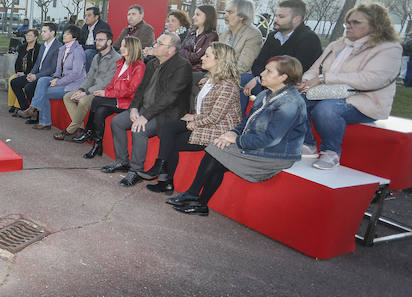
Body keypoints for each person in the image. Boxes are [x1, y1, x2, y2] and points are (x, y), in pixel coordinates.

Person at [169, 56, 307, 215]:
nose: (262, 73)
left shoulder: (290, 103)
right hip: (257, 144)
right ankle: (199, 202)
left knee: (216, 151)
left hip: (275, 155)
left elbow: (271, 139)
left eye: (269, 71)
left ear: (284, 77)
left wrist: (238, 139)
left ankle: (194, 196)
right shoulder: (264, 95)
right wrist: (232, 132)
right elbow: (246, 123)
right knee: (218, 150)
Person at [298, 3, 402, 169]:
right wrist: (305, 82)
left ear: (375, 25)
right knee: (294, 100)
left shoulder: (389, 48)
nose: (349, 26)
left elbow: (372, 79)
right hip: (328, 93)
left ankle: (331, 153)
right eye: (348, 22)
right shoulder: (337, 45)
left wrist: (325, 78)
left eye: (356, 22)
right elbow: (314, 70)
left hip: (365, 101)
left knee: (326, 109)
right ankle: (307, 144)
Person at [142, 42, 243, 193]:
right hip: (206, 122)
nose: (202, 57)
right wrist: (194, 116)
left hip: (217, 131)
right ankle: (161, 168)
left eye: (207, 55)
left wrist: (196, 121)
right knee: (169, 127)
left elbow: (215, 117)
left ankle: (165, 178)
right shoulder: (209, 80)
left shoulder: (228, 86)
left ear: (219, 61)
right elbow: (207, 109)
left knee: (171, 141)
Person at [107, 32, 192, 185]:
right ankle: (122, 161)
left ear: (171, 50)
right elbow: (141, 89)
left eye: (159, 43)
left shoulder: (182, 66)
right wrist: (134, 108)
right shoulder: (153, 63)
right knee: (117, 122)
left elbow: (169, 97)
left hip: (165, 113)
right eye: (156, 42)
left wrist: (144, 116)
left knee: (139, 129)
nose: (155, 45)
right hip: (145, 109)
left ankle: (135, 171)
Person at [242, 0, 323, 112]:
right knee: (239, 80)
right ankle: (238, 125)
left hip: (292, 89)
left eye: (281, 17)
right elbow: (258, 64)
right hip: (267, 81)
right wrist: (259, 78)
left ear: (296, 19)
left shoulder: (309, 39)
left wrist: (259, 80)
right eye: (276, 16)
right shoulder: (272, 36)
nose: (276, 19)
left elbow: (295, 74)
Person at [78, 37, 146, 158]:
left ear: (133, 48)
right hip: (116, 99)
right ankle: (97, 144)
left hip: (128, 102)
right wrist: (104, 91)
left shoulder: (139, 66)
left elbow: (131, 91)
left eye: (125, 46)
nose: (121, 48)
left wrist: (107, 94)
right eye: (122, 45)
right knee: (99, 111)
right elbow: (112, 84)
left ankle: (89, 131)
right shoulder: (121, 63)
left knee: (97, 100)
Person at [57, 30, 119, 140]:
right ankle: (79, 128)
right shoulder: (96, 57)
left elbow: (106, 83)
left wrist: (86, 93)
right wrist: (81, 89)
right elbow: (89, 77)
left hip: (103, 92)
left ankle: (70, 130)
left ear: (109, 42)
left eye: (101, 40)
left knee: (83, 101)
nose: (97, 42)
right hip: (90, 89)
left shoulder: (116, 59)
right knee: (68, 97)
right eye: (96, 40)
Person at [21, 25, 85, 131]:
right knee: (42, 80)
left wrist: (59, 81)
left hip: (73, 84)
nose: (64, 35)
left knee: (44, 93)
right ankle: (33, 108)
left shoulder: (78, 51)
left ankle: (43, 120)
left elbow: (76, 74)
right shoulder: (62, 49)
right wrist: (56, 77)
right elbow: (58, 69)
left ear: (74, 37)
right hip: (62, 80)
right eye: (64, 33)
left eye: (68, 34)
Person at [10, 23, 60, 115]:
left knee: (29, 88)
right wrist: (30, 74)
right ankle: (25, 109)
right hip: (37, 75)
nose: (42, 33)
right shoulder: (44, 45)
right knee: (14, 82)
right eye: (42, 31)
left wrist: (36, 76)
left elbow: (52, 68)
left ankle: (37, 114)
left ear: (52, 33)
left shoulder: (58, 47)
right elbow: (37, 63)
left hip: (47, 77)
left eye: (45, 31)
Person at [220, 0, 263, 74]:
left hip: (238, 78)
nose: (225, 15)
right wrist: (208, 77)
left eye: (230, 12)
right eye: (225, 12)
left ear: (241, 16)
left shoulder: (253, 35)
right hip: (219, 75)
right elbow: (215, 59)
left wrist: (216, 78)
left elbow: (242, 67)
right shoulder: (224, 34)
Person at [7, 28, 39, 112]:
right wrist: (18, 71)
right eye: (26, 35)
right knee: (11, 79)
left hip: (29, 73)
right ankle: (13, 104)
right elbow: (17, 61)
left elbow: (36, 65)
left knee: (18, 83)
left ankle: (20, 107)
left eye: (30, 35)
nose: (27, 37)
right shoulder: (22, 47)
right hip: (20, 72)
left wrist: (25, 73)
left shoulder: (38, 49)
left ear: (35, 37)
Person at [180, 5, 219, 72]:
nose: (193, 17)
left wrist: (184, 52)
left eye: (197, 15)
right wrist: (190, 54)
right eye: (194, 14)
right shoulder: (192, 33)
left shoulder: (212, 36)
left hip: (198, 72)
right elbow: (181, 50)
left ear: (208, 16)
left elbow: (198, 57)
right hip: (184, 68)